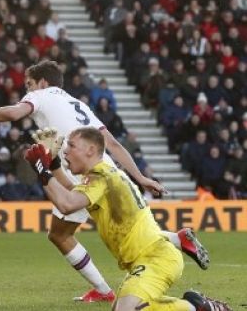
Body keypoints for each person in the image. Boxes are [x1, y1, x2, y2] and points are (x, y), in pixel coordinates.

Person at [0, 60, 209, 303]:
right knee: (126, 226)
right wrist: (140, 177)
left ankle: (104, 290)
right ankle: (177, 239)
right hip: (109, 171)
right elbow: (111, 143)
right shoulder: (77, 103)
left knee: (60, 234)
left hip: (82, 171)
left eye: (29, 84)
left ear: (43, 82)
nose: (27, 91)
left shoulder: (42, 95)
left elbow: (14, 112)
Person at [24, 127, 231, 311]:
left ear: (90, 150)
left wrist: (42, 169)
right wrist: (53, 164)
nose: (66, 149)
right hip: (150, 257)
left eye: (71, 145)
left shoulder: (101, 178)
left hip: (156, 258)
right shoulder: (104, 175)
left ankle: (200, 308)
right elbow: (72, 194)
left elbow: (67, 204)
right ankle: (194, 306)